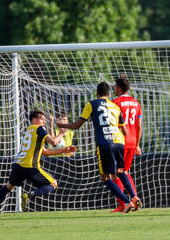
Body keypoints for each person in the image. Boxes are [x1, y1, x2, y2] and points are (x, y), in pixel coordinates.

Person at [58, 82, 141, 212]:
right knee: (121, 171)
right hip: (119, 142)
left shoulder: (92, 104)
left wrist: (63, 126)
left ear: (97, 93)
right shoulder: (115, 106)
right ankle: (134, 197)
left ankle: (126, 202)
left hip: (105, 143)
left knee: (106, 178)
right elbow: (124, 130)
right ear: (109, 94)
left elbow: (77, 125)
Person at [0, 110, 76, 214]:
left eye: (44, 119)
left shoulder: (28, 130)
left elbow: (44, 151)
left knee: (8, 186)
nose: (44, 121)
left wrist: (63, 150)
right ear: (34, 120)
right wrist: (61, 133)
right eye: (42, 119)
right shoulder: (39, 128)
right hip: (31, 166)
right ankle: (30, 195)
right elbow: (53, 141)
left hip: (18, 165)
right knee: (53, 183)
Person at [111, 76, 141, 213]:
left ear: (119, 88)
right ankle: (135, 199)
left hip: (120, 141)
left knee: (115, 174)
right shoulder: (136, 103)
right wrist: (137, 144)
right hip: (133, 141)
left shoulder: (115, 103)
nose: (114, 88)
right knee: (125, 171)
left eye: (115, 86)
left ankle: (123, 204)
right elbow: (139, 126)